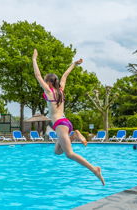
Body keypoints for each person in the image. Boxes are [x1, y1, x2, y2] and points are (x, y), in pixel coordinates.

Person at [32, 49, 105, 185]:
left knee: (69, 154)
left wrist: (34, 59)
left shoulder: (49, 91)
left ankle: (94, 170)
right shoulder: (61, 90)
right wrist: (74, 64)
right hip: (65, 122)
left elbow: (37, 75)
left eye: (45, 81)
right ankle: (74, 135)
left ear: (49, 82)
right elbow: (65, 75)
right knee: (57, 151)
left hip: (60, 124)